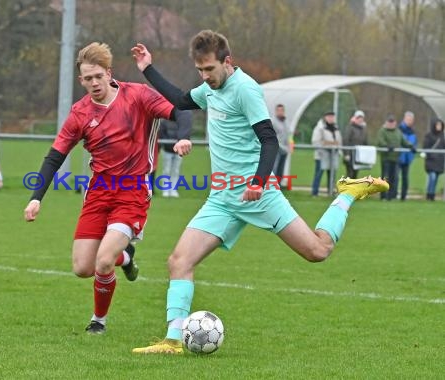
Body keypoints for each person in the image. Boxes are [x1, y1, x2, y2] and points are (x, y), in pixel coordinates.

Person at [130, 30, 389, 354]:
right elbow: (181, 99)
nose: (205, 77)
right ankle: (172, 341)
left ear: (228, 61)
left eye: (210, 69)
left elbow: (270, 140)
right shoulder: (210, 90)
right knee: (179, 261)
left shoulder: (246, 90)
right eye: (200, 70)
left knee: (317, 252)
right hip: (222, 199)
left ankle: (347, 194)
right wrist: (147, 69)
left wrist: (257, 182)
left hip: (259, 194)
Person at [23, 42, 192, 335]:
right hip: (98, 191)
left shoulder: (137, 96)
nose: (93, 83)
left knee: (102, 262)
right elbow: (55, 156)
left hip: (133, 190)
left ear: (109, 73)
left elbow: (182, 112)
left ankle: (98, 321)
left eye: (98, 76)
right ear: (81, 80)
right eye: (87, 79)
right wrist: (36, 198)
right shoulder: (80, 113)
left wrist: (183, 138)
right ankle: (125, 257)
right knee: (82, 268)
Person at [377, 114, 414, 201]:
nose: (391, 124)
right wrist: (387, 146)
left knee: (394, 178)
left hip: (395, 158)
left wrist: (410, 146)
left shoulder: (398, 131)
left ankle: (391, 196)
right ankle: (383, 196)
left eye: (392, 122)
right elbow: (380, 141)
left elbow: (404, 141)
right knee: (385, 177)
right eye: (389, 122)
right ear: (386, 122)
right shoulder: (382, 131)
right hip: (386, 158)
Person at [159, 110, 193, 197]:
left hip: (178, 151)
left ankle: (173, 190)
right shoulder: (164, 122)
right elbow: (162, 135)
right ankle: (166, 190)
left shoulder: (181, 122)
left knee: (176, 170)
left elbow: (183, 133)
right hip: (167, 150)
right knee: (166, 170)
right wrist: (168, 145)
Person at [311, 111, 343, 196]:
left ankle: (331, 192)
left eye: (332, 117)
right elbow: (315, 141)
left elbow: (339, 141)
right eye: (329, 116)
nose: (331, 118)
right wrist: (327, 145)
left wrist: (337, 148)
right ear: (325, 117)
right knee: (319, 174)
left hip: (333, 155)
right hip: (322, 155)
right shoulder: (320, 127)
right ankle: (314, 192)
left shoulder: (336, 128)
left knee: (332, 175)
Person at [422, 118, 445, 201]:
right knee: (432, 177)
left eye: (440, 125)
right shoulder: (429, 135)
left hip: (439, 161)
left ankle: (432, 195)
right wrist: (431, 155)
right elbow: (426, 147)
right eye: (437, 125)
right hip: (431, 161)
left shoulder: (442, 136)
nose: (439, 126)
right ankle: (429, 194)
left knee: (435, 179)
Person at [397, 111, 417, 201]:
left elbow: (414, 143)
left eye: (411, 120)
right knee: (395, 177)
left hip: (408, 158)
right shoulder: (399, 129)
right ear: (404, 119)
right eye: (408, 119)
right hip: (398, 157)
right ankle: (392, 195)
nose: (410, 121)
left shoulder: (413, 131)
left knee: (405, 178)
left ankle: (403, 196)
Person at [343, 110, 368, 178]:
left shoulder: (364, 129)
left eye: (361, 118)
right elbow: (346, 140)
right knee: (349, 173)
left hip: (359, 155)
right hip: (350, 154)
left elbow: (365, 141)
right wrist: (346, 154)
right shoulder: (350, 127)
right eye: (358, 118)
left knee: (355, 174)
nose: (360, 119)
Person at [271, 104, 291, 183]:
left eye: (282, 110)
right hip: (276, 148)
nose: (280, 112)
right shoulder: (272, 121)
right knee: (274, 168)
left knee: (281, 168)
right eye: (278, 110)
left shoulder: (286, 121)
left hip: (285, 149)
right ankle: (272, 186)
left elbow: (288, 134)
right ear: (276, 111)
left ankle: (278, 185)